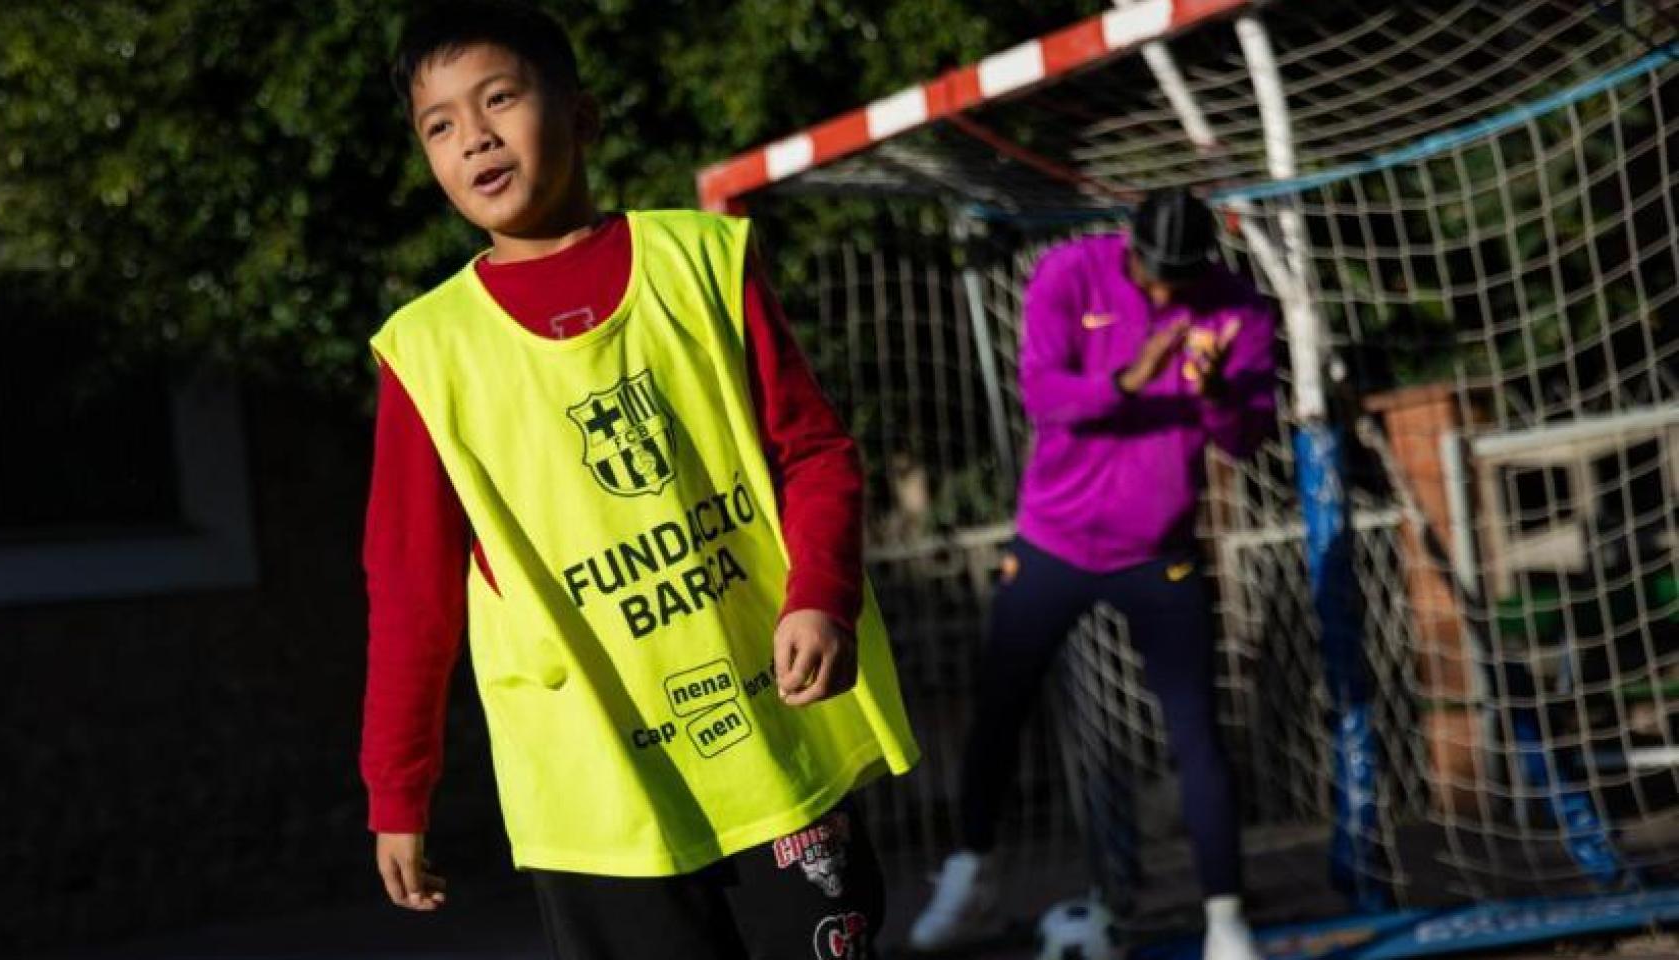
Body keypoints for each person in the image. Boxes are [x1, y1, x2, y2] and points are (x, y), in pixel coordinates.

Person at [358, 3, 919, 958]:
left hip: (769, 748)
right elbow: (410, 588)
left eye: (499, 99)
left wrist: (818, 594)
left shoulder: (699, 262)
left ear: (580, 119)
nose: (475, 137)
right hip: (597, 793)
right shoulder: (427, 352)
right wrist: (398, 789)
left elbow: (817, 453)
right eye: (440, 125)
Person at [907, 189, 1276, 960]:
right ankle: (970, 877)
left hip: (1157, 552)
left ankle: (1226, 921)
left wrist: (1212, 394)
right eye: (1153, 272)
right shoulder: (1069, 273)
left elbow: (1246, 439)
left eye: (1183, 276)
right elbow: (1043, 396)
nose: (1167, 292)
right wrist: (1132, 379)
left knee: (1197, 732)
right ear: (1128, 245)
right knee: (999, 709)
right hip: (1053, 542)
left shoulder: (1236, 309)